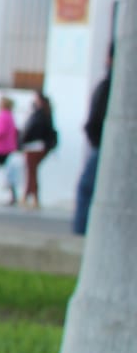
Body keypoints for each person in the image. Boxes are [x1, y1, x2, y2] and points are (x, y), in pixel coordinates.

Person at [75, 46, 112, 236]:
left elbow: (95, 120)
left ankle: (80, 238)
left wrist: (96, 140)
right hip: (103, 146)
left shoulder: (110, 86)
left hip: (104, 148)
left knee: (86, 190)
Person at [16, 89, 57, 209]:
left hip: (35, 147)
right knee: (31, 171)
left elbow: (31, 130)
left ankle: (32, 197)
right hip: (37, 146)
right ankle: (28, 195)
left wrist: (22, 141)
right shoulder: (45, 113)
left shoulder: (40, 114)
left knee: (31, 171)